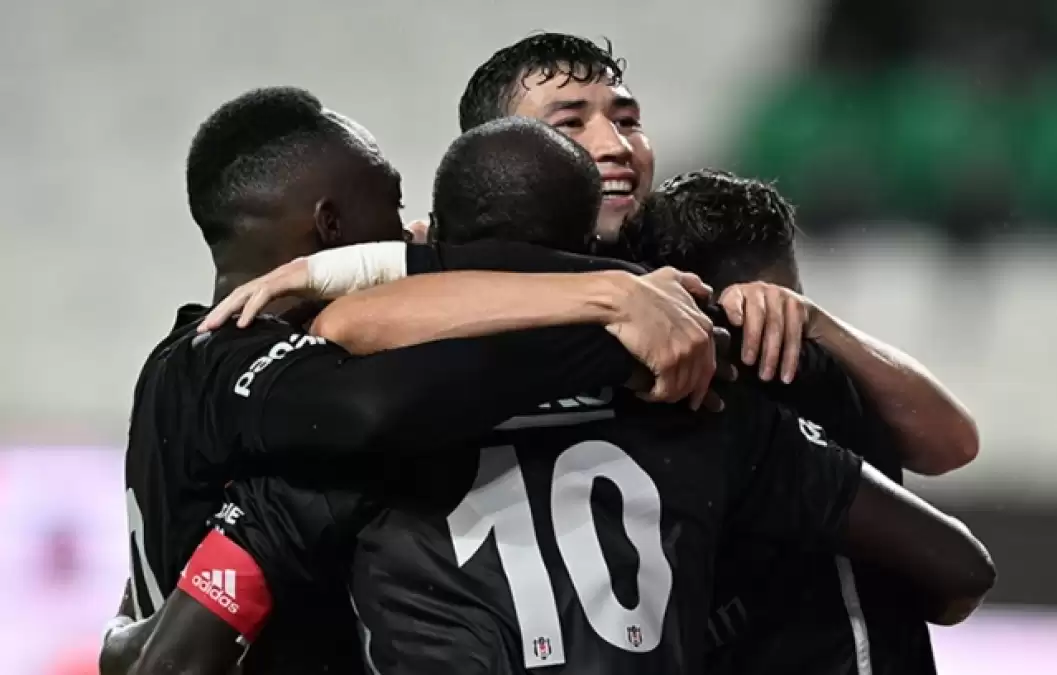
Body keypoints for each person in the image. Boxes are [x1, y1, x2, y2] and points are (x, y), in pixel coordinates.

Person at [134, 118, 993, 675]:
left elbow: (179, 650)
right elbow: (957, 570)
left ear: (441, 238)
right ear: (592, 240)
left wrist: (124, 632)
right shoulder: (708, 390)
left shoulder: (353, 441)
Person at [102, 89, 724, 675]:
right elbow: (371, 410)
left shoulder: (182, 362)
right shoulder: (240, 363)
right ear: (331, 227)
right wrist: (611, 338)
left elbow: (140, 641)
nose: (409, 230)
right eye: (393, 205)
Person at [457, 32, 979, 475]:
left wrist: (813, 324)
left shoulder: (693, 276)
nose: (616, 145)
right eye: (571, 124)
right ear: (490, 154)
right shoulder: (433, 286)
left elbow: (949, 445)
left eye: (628, 121)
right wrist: (609, 296)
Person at [633, 168, 945, 673]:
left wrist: (820, 324)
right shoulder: (743, 388)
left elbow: (953, 445)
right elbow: (960, 578)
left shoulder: (814, 370)